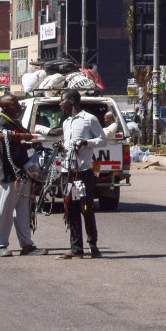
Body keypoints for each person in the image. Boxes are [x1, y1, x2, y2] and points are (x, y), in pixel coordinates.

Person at [0, 93, 42, 257]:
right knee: (4, 211)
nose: (18, 105)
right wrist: (20, 136)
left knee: (22, 211)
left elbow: (25, 138)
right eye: (14, 103)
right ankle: (0, 245)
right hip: (9, 175)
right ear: (6, 107)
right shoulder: (3, 122)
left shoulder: (15, 122)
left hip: (23, 173)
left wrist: (25, 140)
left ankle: (27, 245)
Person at [59, 89, 105, 259]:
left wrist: (86, 142)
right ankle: (76, 248)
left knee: (86, 209)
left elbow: (103, 140)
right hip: (68, 173)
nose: (60, 103)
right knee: (71, 210)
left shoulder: (89, 119)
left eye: (62, 99)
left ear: (71, 100)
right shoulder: (66, 123)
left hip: (83, 173)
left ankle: (93, 245)